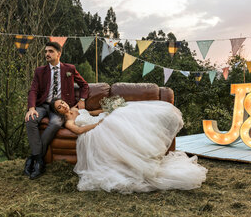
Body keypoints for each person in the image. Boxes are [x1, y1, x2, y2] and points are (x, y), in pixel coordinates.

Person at [50, 98, 208, 193]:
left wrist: (108, 109)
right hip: (93, 130)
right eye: (59, 107)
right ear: (58, 111)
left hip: (99, 120)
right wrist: (99, 123)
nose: (63, 106)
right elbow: (79, 129)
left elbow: (92, 112)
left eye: (62, 102)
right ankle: (138, 161)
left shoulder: (75, 109)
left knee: (122, 112)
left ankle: (145, 150)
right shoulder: (68, 122)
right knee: (115, 123)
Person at [24, 41, 89, 180]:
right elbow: (33, 90)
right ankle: (39, 160)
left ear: (59, 54)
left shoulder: (69, 69)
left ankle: (34, 158)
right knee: (30, 120)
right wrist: (31, 108)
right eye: (46, 51)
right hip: (43, 105)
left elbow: (84, 85)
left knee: (54, 123)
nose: (47, 54)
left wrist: (82, 100)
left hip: (59, 108)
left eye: (51, 51)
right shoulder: (40, 71)